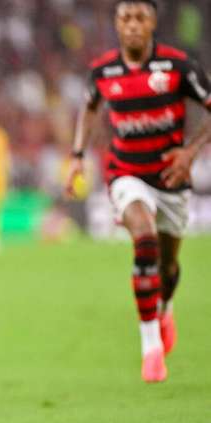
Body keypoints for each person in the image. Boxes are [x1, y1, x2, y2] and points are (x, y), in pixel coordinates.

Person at [66, 0, 211, 383]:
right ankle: (151, 347)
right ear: (117, 23)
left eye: (139, 18)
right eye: (125, 18)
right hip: (126, 173)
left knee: (168, 268)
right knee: (143, 239)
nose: (132, 25)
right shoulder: (103, 70)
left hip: (171, 178)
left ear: (152, 23)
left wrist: (191, 152)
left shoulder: (178, 66)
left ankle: (163, 307)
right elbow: (90, 109)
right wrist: (78, 155)